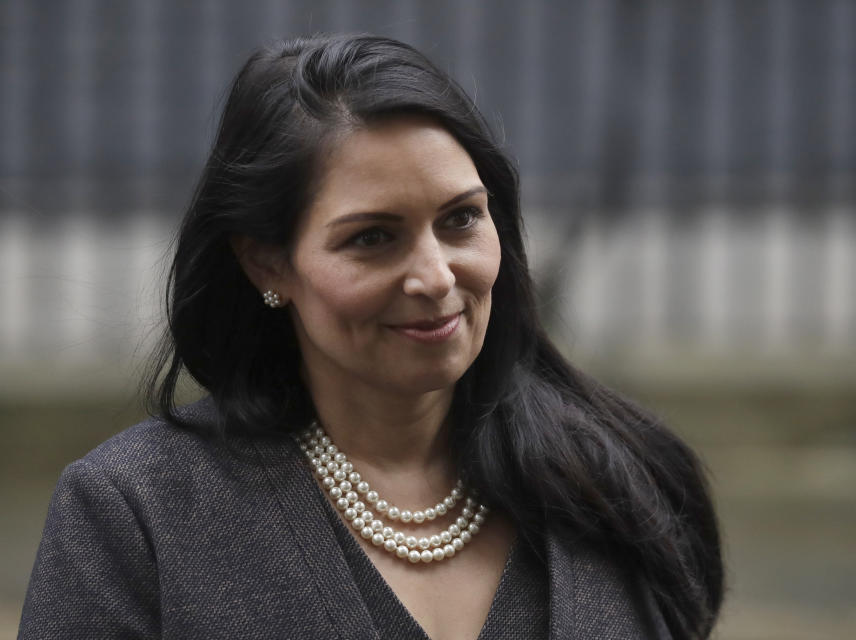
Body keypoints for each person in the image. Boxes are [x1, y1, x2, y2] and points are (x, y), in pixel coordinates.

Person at [18, 33, 723, 639]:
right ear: (268, 261)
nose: (435, 277)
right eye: (374, 238)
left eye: (459, 220)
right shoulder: (137, 517)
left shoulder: (614, 486)